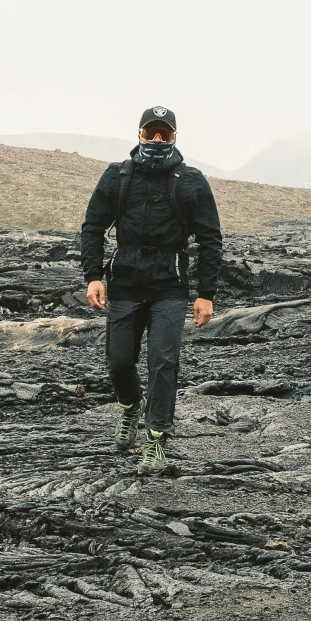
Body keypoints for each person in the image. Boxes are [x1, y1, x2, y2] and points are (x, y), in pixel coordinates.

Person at [80, 106, 223, 475]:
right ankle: (129, 406)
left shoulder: (190, 180)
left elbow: (210, 239)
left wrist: (205, 294)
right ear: (139, 134)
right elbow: (93, 226)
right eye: (150, 133)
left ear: (174, 137)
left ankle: (156, 438)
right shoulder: (118, 175)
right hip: (125, 282)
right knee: (119, 362)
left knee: (163, 362)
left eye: (165, 134)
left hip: (168, 287)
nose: (157, 141)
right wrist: (93, 276)